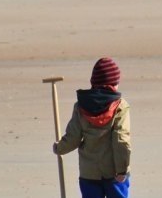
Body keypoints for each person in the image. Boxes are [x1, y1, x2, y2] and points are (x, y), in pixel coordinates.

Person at [54, 57, 132, 198]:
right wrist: (122, 170)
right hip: (114, 173)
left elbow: (73, 137)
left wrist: (60, 148)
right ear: (114, 84)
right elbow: (121, 139)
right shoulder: (120, 106)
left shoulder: (81, 106)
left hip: (89, 173)